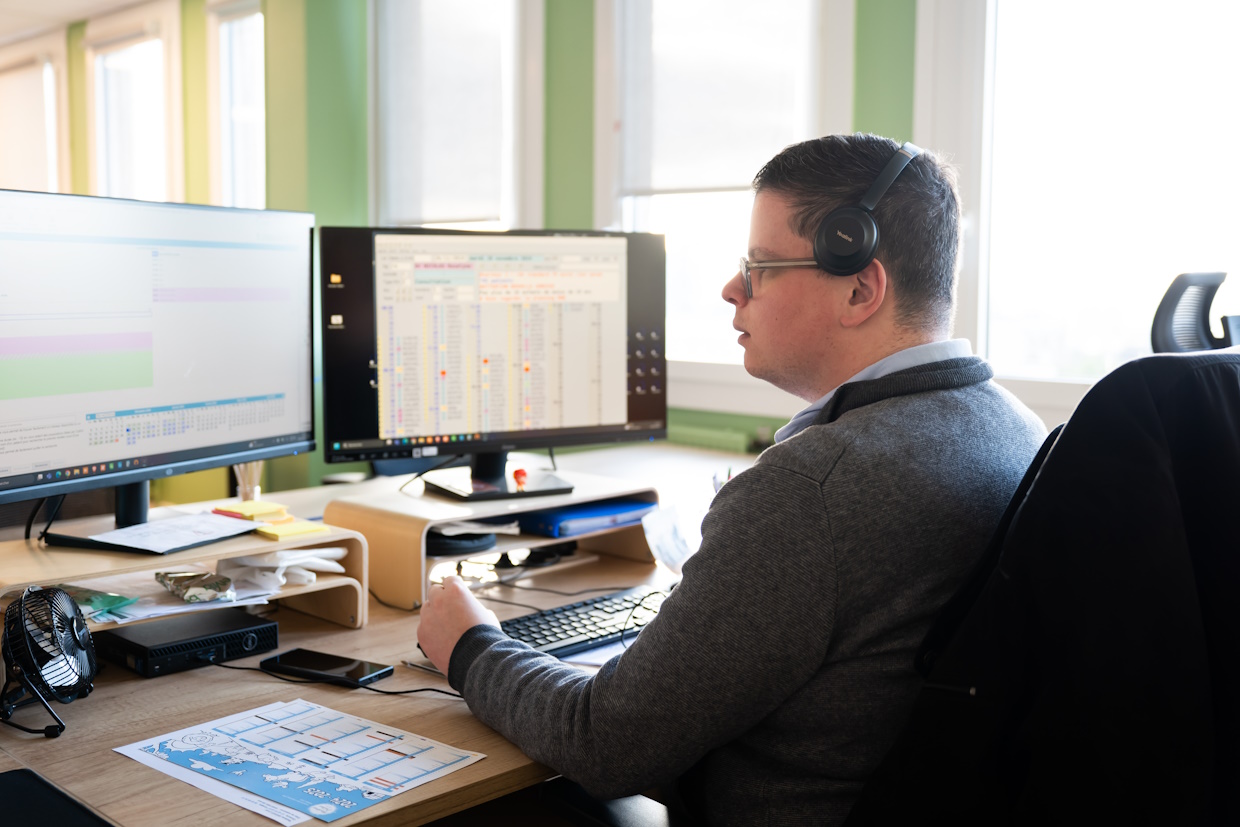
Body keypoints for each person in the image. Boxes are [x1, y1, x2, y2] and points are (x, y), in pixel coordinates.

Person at [417, 133, 1047, 826]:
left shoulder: (811, 488)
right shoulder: (1015, 428)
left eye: (760, 266)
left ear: (861, 288)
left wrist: (469, 644)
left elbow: (604, 743)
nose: (730, 289)